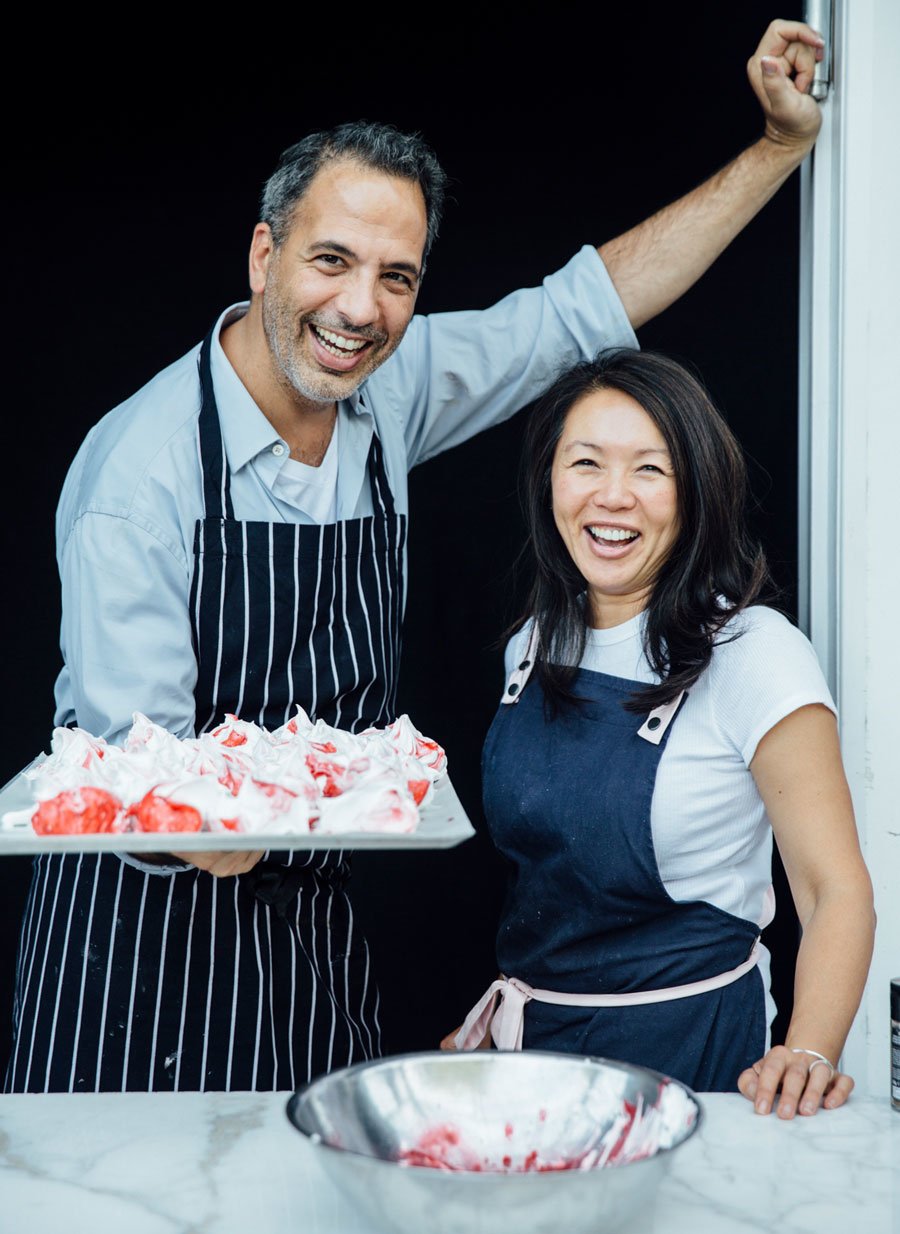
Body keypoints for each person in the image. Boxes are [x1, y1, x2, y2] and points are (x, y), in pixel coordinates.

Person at [5, 21, 830, 1094]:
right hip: (142, 945)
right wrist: (282, 810)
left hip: (306, 935)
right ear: (264, 255)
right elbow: (142, 777)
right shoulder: (139, 478)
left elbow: (581, 312)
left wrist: (776, 147)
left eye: (397, 277)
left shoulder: (386, 392)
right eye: (331, 261)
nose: (360, 309)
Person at [449, 349, 875, 1118]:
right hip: (536, 1067)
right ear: (552, 480)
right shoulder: (533, 645)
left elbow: (833, 889)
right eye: (586, 463)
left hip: (694, 1060)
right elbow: (548, 881)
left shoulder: (752, 652)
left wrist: (809, 1052)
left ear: (695, 493)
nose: (613, 497)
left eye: (651, 469)